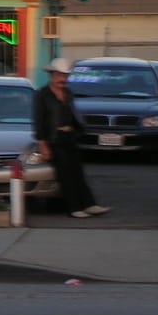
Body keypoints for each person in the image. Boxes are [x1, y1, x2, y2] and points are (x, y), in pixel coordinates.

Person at [32, 57, 111, 219]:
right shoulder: (42, 95)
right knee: (65, 174)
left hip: (69, 136)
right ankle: (74, 208)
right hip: (53, 139)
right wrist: (43, 145)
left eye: (65, 76)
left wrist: (79, 131)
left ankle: (89, 204)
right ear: (52, 75)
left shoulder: (68, 94)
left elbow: (72, 115)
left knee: (78, 172)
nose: (63, 79)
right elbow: (38, 122)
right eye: (60, 75)